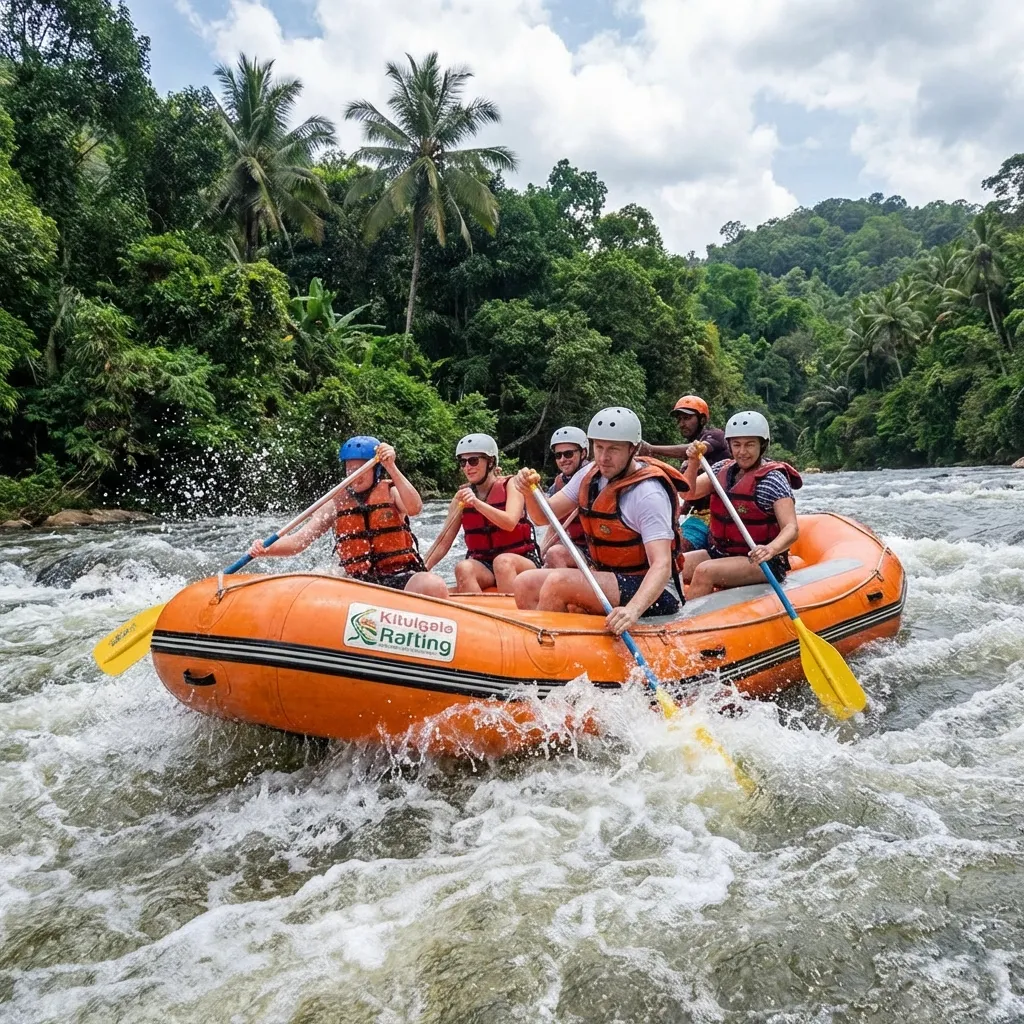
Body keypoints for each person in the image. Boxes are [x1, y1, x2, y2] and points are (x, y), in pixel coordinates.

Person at [512, 407, 689, 633]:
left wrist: (632, 610)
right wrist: (528, 491)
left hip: (657, 591)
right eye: (599, 447)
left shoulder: (648, 493)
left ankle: (549, 654)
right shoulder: (591, 475)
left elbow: (662, 565)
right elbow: (540, 518)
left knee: (558, 584)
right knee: (524, 583)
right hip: (611, 578)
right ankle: (559, 645)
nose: (604, 458)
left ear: (632, 449)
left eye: (613, 449)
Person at [248, 436, 445, 596]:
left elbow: (415, 508)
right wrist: (265, 548)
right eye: (350, 469)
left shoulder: (392, 492)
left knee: (431, 584)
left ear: (375, 470)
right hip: (358, 583)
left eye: (361, 469)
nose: (355, 474)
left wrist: (391, 467)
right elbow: (299, 541)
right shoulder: (335, 503)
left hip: (400, 576)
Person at [680, 411, 802, 599]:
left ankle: (684, 625)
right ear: (729, 445)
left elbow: (791, 528)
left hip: (761, 561)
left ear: (762, 445)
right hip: (721, 553)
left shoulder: (772, 480)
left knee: (705, 571)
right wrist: (694, 462)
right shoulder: (721, 469)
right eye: (736, 445)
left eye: (749, 444)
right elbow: (688, 492)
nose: (742, 452)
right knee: (676, 564)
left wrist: (771, 549)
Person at [420, 433, 541, 594]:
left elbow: (510, 522)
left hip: (521, 561)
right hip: (485, 564)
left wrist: (477, 503)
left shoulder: (511, 485)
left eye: (473, 461)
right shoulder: (461, 498)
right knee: (463, 568)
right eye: (463, 462)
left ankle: (512, 615)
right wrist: (421, 568)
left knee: (503, 563)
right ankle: (476, 616)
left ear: (490, 462)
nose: (467, 467)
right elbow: (443, 541)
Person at [638, 394, 728, 553]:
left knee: (677, 549)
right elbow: (688, 493)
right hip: (699, 516)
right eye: (679, 419)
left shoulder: (716, 436)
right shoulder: (686, 461)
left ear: (702, 420)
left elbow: (695, 449)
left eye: (687, 418)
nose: (681, 424)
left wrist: (651, 449)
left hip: (720, 514)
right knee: (669, 546)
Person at [541, 426, 590, 568]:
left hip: (596, 551)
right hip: (577, 547)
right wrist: (541, 553)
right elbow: (553, 524)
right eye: (558, 455)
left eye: (568, 454)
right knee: (549, 556)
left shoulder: (596, 479)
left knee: (555, 553)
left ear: (583, 453)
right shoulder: (558, 484)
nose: (563, 460)